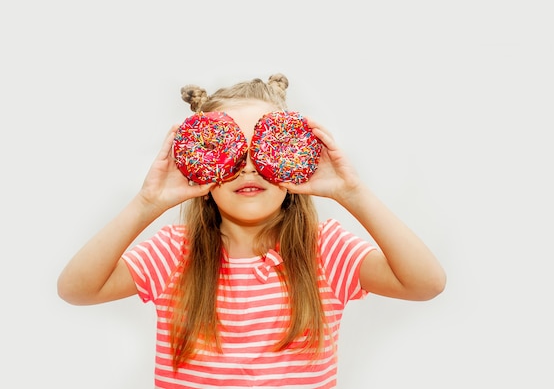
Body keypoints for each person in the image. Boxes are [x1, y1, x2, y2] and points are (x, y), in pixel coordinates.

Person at [57, 73, 446, 388]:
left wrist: (353, 193)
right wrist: (147, 203)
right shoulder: (176, 251)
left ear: (295, 158)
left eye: (263, 149)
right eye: (229, 152)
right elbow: (77, 289)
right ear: (199, 167)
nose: (248, 166)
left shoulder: (325, 249)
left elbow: (425, 283)